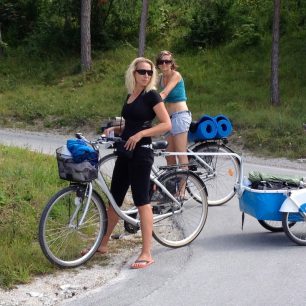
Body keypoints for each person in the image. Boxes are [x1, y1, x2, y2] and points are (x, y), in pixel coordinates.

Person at [97, 57, 171, 269]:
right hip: (126, 151)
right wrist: (115, 129)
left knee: (141, 200)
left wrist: (140, 135)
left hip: (142, 153)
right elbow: (131, 123)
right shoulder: (132, 95)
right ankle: (102, 244)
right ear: (133, 73)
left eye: (149, 72)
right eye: (142, 72)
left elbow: (166, 124)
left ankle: (147, 253)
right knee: (115, 198)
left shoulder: (152, 95)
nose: (146, 76)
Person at [155, 50, 191, 170]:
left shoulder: (176, 75)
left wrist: (153, 101)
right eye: (161, 61)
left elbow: (164, 93)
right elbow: (149, 90)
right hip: (167, 119)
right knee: (169, 156)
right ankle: (171, 185)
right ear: (158, 64)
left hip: (180, 116)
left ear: (171, 63)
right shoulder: (160, 78)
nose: (164, 64)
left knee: (180, 154)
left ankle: (182, 189)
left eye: (167, 61)